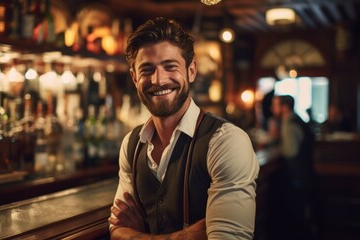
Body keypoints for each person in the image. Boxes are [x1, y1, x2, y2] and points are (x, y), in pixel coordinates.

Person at [108, 17, 260, 239]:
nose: (158, 80)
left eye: (170, 67)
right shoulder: (131, 145)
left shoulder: (226, 141)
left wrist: (136, 236)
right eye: (147, 69)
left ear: (191, 71)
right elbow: (117, 231)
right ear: (134, 78)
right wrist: (187, 236)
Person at [270, 95, 317, 240]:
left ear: (284, 107)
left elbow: (291, 152)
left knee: (297, 216)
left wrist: (276, 148)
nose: (273, 109)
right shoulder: (294, 119)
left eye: (275, 105)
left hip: (297, 177)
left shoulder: (289, 123)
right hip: (304, 175)